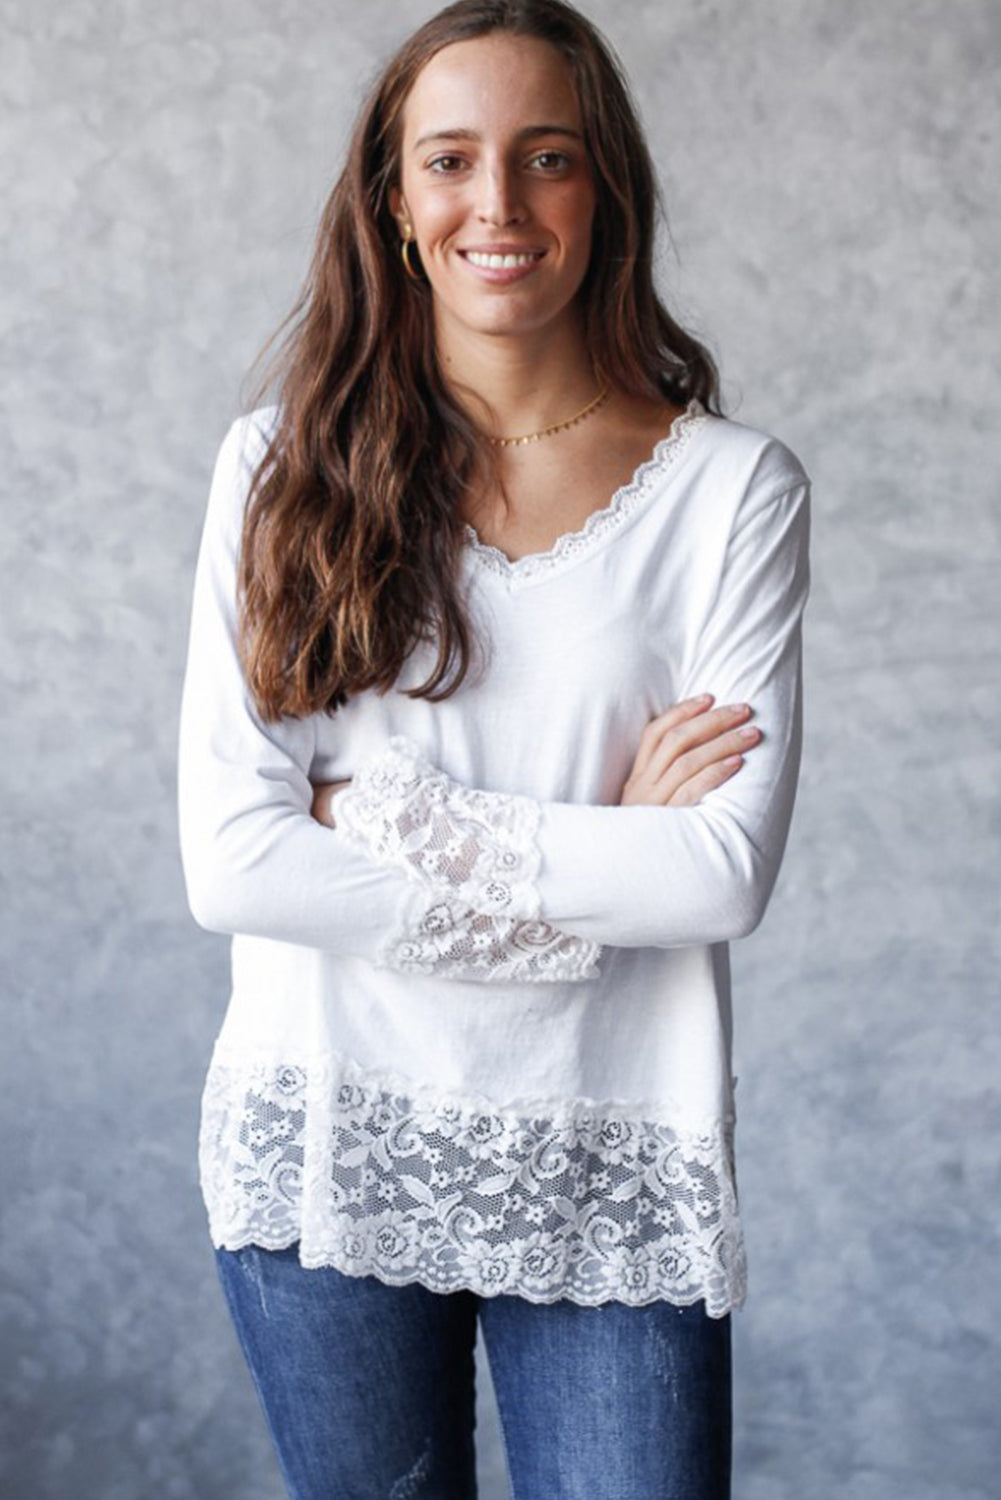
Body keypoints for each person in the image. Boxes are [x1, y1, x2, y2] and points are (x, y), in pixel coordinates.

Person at [178, 1, 810, 1495]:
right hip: (326, 1131)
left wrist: (370, 813)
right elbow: (234, 862)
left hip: (612, 1144)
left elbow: (713, 877)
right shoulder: (277, 470)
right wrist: (601, 874)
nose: (498, 206)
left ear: (608, 192)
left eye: (547, 157)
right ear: (394, 203)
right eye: (449, 159)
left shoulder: (730, 493)